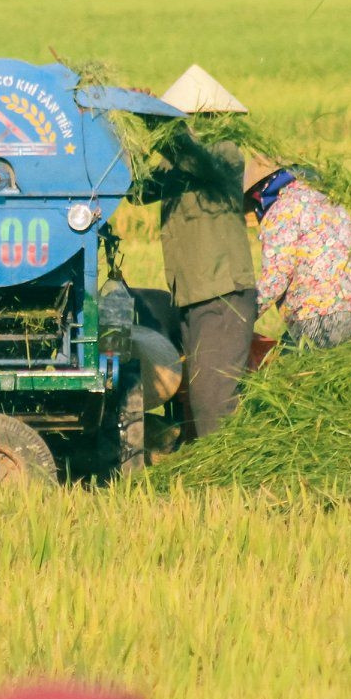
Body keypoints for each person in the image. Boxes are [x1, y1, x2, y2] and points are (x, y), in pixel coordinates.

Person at [132, 64, 258, 439]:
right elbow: (135, 191)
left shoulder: (223, 153)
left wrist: (155, 122)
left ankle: (227, 481)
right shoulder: (175, 164)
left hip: (223, 295)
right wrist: (127, 130)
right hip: (192, 296)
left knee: (213, 400)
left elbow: (191, 155)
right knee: (195, 397)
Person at [246, 157, 351, 349]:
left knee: (284, 374)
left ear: (259, 193)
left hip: (317, 319)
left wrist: (241, 318)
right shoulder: (329, 200)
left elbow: (275, 277)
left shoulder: (282, 209)